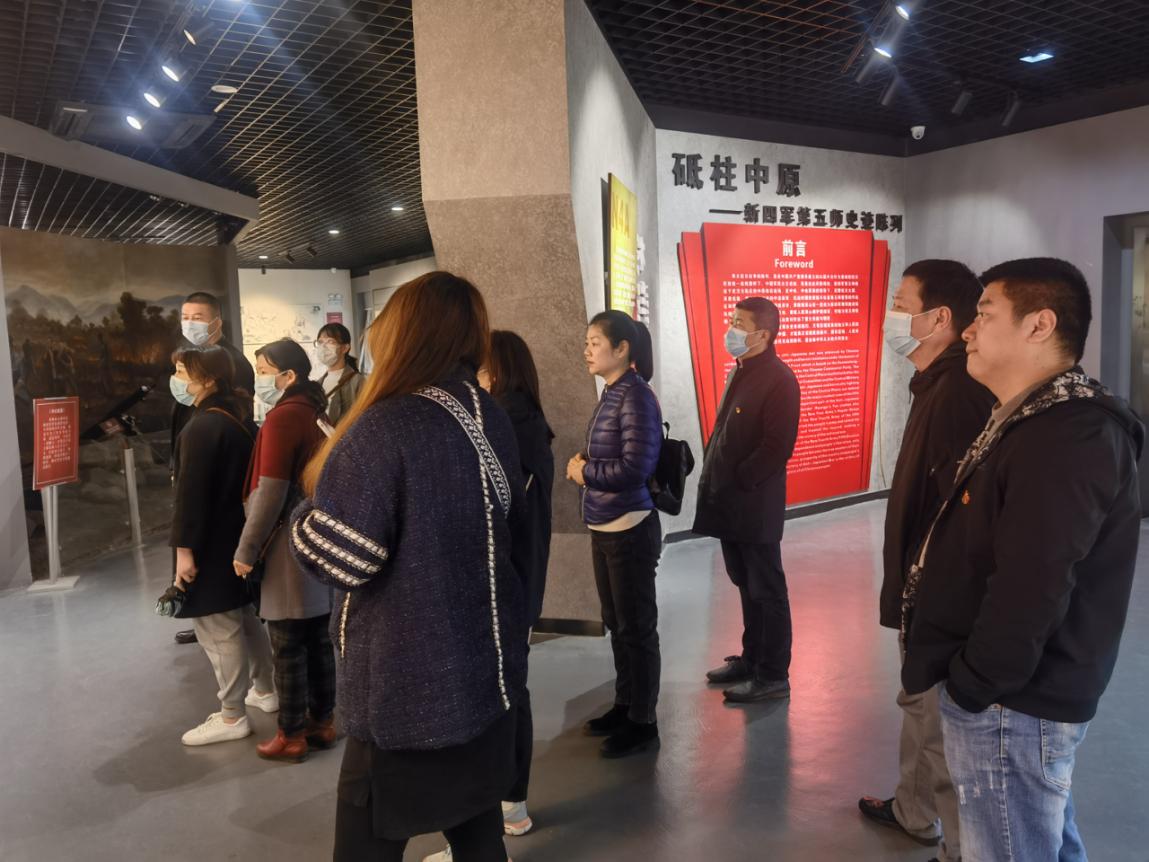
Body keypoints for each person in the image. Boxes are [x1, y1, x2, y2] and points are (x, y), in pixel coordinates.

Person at [902, 258, 1144, 862]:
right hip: (1012, 699)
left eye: (985, 314)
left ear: (1039, 325)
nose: (968, 329)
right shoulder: (1029, 418)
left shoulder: (1069, 433)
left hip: (1015, 706)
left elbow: (1032, 584)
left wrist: (975, 688)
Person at [290, 271, 528, 862]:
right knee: (477, 832)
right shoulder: (487, 413)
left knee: (366, 843)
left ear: (404, 333)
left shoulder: (386, 425)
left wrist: (301, 519)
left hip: (403, 686)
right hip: (481, 674)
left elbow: (346, 557)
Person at [858, 261, 994, 859]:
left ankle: (961, 848)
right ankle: (914, 810)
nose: (890, 315)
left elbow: (963, 514)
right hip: (922, 588)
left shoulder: (958, 392)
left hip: (940, 593)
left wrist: (931, 594)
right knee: (919, 705)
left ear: (939, 318)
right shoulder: (935, 383)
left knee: (940, 723)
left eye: (900, 303)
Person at [426, 331, 555, 861]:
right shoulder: (522, 419)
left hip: (506, 582)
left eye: (478, 368)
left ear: (495, 371)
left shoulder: (502, 424)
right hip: (519, 578)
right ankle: (508, 807)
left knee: (500, 698)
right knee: (508, 692)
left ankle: (502, 812)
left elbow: (492, 513)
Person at [168, 343, 276, 746]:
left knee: (218, 629)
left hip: (209, 543)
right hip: (237, 538)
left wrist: (184, 552)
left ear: (208, 379)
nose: (177, 380)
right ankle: (265, 690)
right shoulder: (237, 419)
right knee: (244, 619)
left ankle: (232, 716)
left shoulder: (201, 427)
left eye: (183, 372)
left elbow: (190, 496)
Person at [233, 339, 334, 763]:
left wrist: (247, 549)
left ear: (288, 376)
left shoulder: (283, 418)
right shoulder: (317, 412)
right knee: (319, 641)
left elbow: (269, 491)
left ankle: (291, 734)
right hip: (317, 542)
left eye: (263, 370)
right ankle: (322, 722)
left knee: (288, 645)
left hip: (285, 549)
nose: (259, 377)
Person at [695, 297, 800, 704]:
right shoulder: (742, 371)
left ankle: (773, 674)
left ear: (763, 335)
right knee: (745, 584)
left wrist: (740, 479)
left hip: (754, 507)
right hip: (731, 505)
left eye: (740, 323)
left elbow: (777, 447)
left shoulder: (780, 380)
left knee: (767, 590)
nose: (732, 329)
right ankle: (751, 658)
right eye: (732, 320)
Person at [571, 310, 663, 758]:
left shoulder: (636, 396)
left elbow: (634, 469)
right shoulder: (613, 392)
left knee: (636, 628)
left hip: (629, 527)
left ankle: (643, 720)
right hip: (604, 524)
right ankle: (625, 705)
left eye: (595, 342)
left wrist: (584, 473)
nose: (587, 350)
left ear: (622, 348)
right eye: (587, 342)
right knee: (618, 624)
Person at [173, 291, 254, 647]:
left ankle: (237, 692)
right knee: (232, 613)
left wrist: (184, 548)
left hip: (219, 500)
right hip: (209, 481)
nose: (190, 323)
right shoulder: (195, 362)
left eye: (198, 317)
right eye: (185, 316)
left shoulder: (230, 367)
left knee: (224, 619)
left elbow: (194, 492)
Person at [315, 323, 364, 425]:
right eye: (320, 342)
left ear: (345, 348)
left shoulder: (358, 381)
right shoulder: (318, 383)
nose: (323, 346)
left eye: (330, 341)